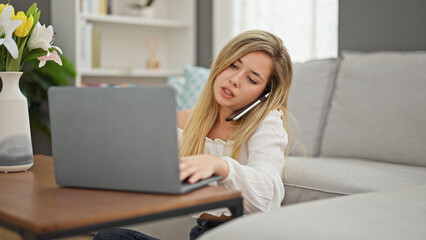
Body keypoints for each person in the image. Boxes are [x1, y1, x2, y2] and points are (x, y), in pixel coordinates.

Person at [93, 29, 293, 240]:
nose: (235, 79)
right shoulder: (186, 121)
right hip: (204, 233)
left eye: (252, 79)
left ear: (265, 93)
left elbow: (266, 194)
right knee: (110, 237)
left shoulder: (267, 123)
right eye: (233, 65)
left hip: (245, 234)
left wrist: (220, 166)